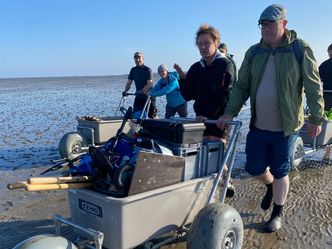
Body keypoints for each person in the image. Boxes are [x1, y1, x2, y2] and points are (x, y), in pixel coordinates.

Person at [216, 4, 324, 232]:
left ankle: (277, 213)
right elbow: (241, 86)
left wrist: (316, 118)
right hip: (258, 125)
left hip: (286, 128)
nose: (265, 28)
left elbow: (314, 86)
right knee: (253, 167)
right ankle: (269, 186)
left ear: (284, 23)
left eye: (270, 23)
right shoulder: (254, 52)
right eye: (262, 24)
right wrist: (230, 111)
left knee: (281, 170)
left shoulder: (299, 48)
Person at [179, 24, 235, 196]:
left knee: (217, 152)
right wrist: (182, 80)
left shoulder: (226, 65)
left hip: (219, 119)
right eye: (200, 44)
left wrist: (214, 116)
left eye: (207, 43)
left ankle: (227, 183)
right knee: (200, 152)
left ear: (216, 43)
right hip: (200, 119)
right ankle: (205, 187)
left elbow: (226, 95)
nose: (203, 47)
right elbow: (188, 95)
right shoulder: (196, 67)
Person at [123, 52, 158, 119]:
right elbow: (128, 83)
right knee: (136, 115)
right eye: (136, 58)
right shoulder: (133, 70)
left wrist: (142, 91)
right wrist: (125, 91)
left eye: (139, 58)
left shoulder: (148, 70)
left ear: (143, 59)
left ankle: (159, 127)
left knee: (152, 116)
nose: (137, 60)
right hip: (139, 96)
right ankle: (137, 128)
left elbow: (150, 84)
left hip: (149, 96)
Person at [319, 43, 332, 161]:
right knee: (328, 119)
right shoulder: (323, 65)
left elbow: (318, 79)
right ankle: (328, 149)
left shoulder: (323, 65)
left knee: (327, 121)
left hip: (326, 95)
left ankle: (327, 150)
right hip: (327, 95)